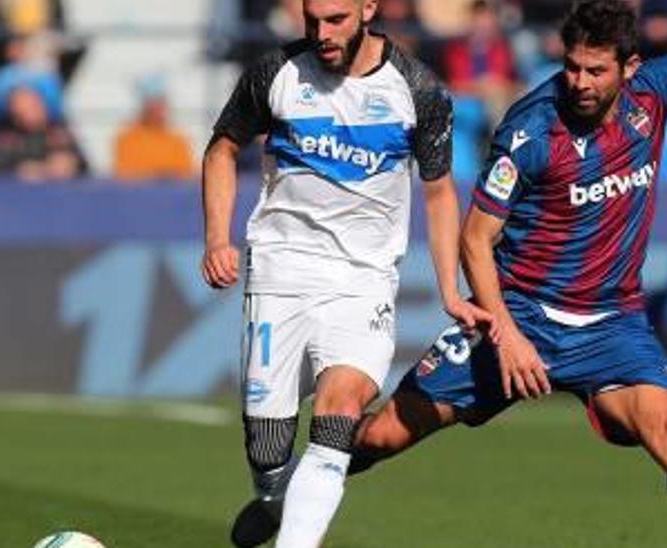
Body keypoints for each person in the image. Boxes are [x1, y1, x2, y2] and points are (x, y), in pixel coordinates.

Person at [254, 0, 667, 546]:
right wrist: (507, 335)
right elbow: (476, 238)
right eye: (571, 66)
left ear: (631, 68)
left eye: (596, 70)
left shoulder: (656, 92)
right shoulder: (531, 130)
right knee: (384, 435)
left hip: (611, 324)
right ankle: (290, 490)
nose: (579, 82)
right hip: (518, 312)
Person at [197, 1, 492, 547]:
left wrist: (450, 287)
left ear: (367, 9)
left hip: (363, 281)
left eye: (335, 20)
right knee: (267, 452)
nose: (322, 33)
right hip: (280, 272)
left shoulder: (417, 89)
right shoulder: (276, 73)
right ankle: (280, 497)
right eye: (313, 21)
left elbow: (439, 191)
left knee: (341, 411)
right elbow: (221, 150)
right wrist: (218, 236)